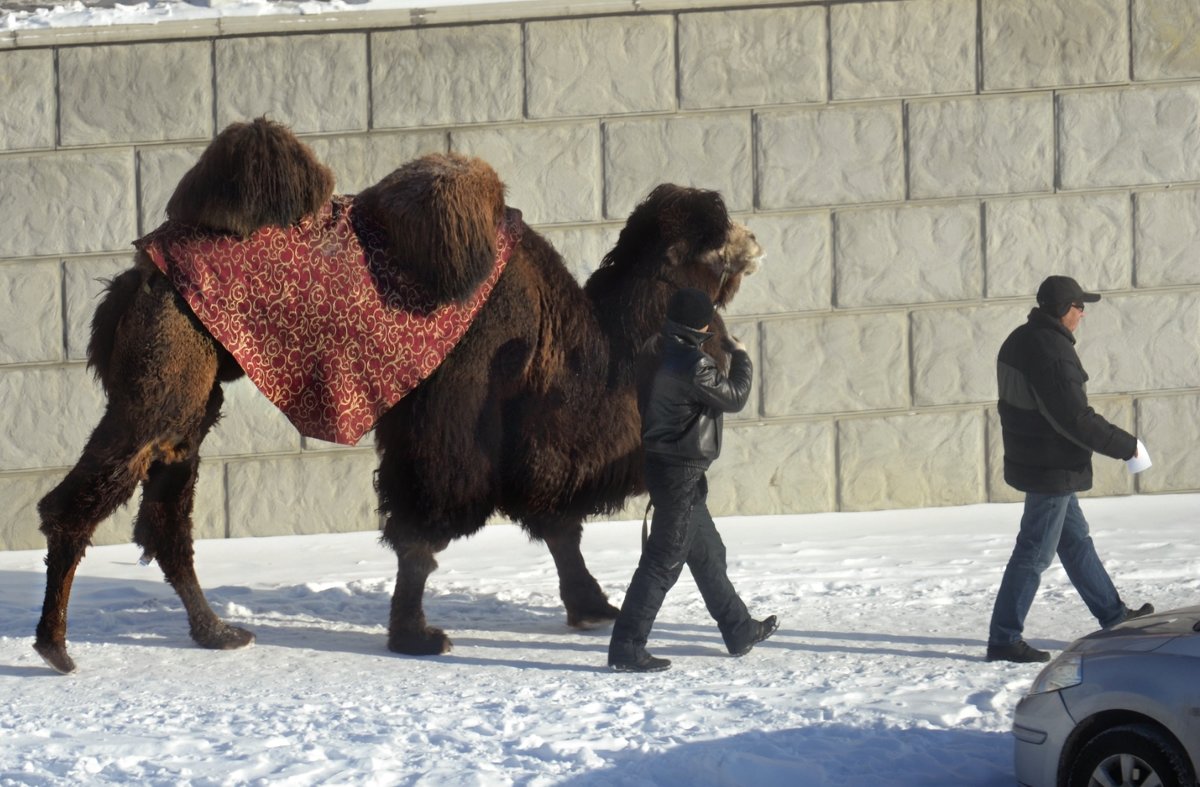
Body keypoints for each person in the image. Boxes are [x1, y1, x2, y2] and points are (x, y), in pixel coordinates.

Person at [608, 287, 778, 673]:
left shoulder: (655, 350)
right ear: (701, 324)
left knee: (708, 553)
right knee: (661, 563)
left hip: (670, 468)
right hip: (679, 472)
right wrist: (741, 357)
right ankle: (627, 647)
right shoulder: (692, 364)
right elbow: (734, 397)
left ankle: (739, 629)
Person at [986, 275, 1153, 664]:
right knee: (1034, 551)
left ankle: (1113, 616)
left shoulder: (1021, 338)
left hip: (1038, 457)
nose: (1082, 314)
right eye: (1079, 307)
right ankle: (1004, 638)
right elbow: (1075, 417)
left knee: (1075, 540)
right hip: (1052, 464)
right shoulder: (1052, 353)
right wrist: (1127, 446)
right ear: (1064, 310)